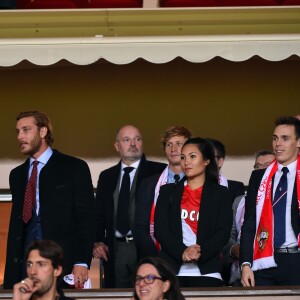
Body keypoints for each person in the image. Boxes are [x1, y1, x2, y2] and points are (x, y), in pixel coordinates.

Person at [4, 111, 95, 289]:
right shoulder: (17, 175)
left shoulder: (74, 168)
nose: (20, 137)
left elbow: (86, 218)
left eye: (26, 130)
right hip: (24, 266)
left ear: (43, 132)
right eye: (18, 132)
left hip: (62, 263)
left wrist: (82, 262)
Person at [93, 125, 166, 288]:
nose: (133, 143)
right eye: (127, 140)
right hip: (115, 248)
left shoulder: (159, 171)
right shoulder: (107, 176)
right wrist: (97, 241)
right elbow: (98, 215)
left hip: (148, 247)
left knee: (149, 291)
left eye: (137, 139)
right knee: (117, 294)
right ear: (117, 146)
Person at [155, 137, 232, 287]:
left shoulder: (220, 193)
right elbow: (161, 229)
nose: (186, 162)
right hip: (172, 271)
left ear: (207, 161)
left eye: (192, 156)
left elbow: (223, 232)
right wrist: (183, 252)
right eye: (183, 157)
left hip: (208, 271)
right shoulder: (167, 191)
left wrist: (199, 252)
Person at [240, 116, 300, 287]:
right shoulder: (259, 177)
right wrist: (245, 264)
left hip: (296, 259)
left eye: (285, 138)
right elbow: (249, 223)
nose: (278, 144)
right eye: (275, 138)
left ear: (298, 142)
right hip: (264, 260)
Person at [135, 126, 192, 258]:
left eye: (179, 144)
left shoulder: (200, 182)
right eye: (169, 145)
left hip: (193, 259)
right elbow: (141, 227)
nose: (173, 149)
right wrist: (157, 259)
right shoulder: (149, 184)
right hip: (157, 258)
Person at [223, 150, 275, 286]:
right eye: (258, 166)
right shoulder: (239, 201)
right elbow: (228, 234)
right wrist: (234, 248)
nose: (262, 170)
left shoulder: (280, 197)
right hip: (240, 272)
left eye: (267, 165)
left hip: (270, 267)